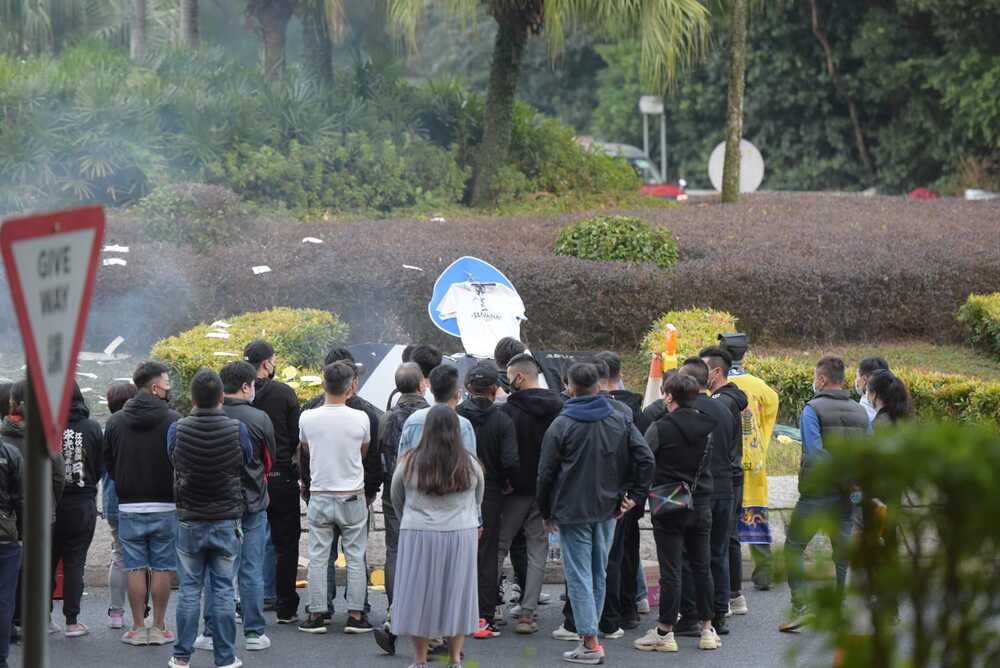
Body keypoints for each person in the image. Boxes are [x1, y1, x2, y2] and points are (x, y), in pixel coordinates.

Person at [537, 363, 654, 665]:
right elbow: (646, 458)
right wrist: (634, 497)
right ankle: (591, 637)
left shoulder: (561, 424)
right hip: (609, 508)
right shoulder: (619, 418)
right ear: (598, 385)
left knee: (579, 575)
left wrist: (546, 512)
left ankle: (589, 641)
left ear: (569, 387)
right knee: (598, 571)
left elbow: (545, 474)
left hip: (571, 509)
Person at [167, 369, 252, 668]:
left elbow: (172, 459)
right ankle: (225, 658)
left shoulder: (177, 429)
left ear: (192, 399)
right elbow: (245, 460)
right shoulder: (237, 429)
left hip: (190, 518)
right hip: (226, 518)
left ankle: (181, 656)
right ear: (221, 398)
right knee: (224, 589)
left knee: (190, 589)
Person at [190, 361, 275, 653]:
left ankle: (210, 632)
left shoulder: (206, 416)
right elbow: (269, 460)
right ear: (246, 386)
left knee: (217, 570)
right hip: (252, 504)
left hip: (216, 505)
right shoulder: (260, 418)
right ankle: (254, 633)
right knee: (251, 569)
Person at [633, 371, 721, 654]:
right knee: (702, 566)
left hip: (668, 502)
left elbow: (644, 460)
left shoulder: (660, 427)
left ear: (669, 397)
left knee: (671, 570)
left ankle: (665, 631)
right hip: (701, 502)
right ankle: (707, 629)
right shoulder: (708, 426)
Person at [390, 405, 484, 668]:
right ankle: (454, 659)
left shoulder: (409, 461)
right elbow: (478, 500)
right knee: (458, 594)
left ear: (427, 429)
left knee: (417, 595)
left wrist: (410, 517)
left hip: (418, 532)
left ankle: (420, 659)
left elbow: (396, 496)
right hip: (460, 533)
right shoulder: (470, 463)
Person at [782, 356, 870, 630]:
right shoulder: (860, 412)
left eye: (814, 377)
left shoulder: (812, 409)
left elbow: (815, 453)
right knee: (841, 552)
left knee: (794, 547)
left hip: (818, 492)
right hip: (849, 494)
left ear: (821, 379)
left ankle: (800, 605)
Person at [302, 348, 383, 621]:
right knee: (356, 556)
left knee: (318, 556)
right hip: (352, 494)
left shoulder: (307, 415)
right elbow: (366, 454)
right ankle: (357, 614)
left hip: (320, 494)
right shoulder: (363, 416)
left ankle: (317, 613)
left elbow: (304, 451)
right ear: (351, 386)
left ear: (323, 383)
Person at [103, 362, 179, 646]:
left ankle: (136, 627)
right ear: (155, 387)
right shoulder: (173, 419)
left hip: (129, 504)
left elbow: (109, 462)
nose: (169, 386)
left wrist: (125, 481)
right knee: (161, 567)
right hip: (165, 503)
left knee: (134, 566)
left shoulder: (115, 422)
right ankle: (158, 626)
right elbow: (180, 459)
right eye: (167, 382)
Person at [498, 353, 562, 637]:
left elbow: (505, 455)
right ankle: (527, 613)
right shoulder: (559, 407)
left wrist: (506, 481)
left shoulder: (507, 411)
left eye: (509, 376)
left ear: (519, 377)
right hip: (545, 491)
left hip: (514, 490)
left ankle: (488, 608)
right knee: (538, 550)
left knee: (499, 546)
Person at [674, 358, 737, 637]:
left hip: (697, 491)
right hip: (725, 488)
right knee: (718, 554)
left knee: (690, 555)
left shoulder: (687, 411)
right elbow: (734, 447)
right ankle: (719, 614)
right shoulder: (724, 408)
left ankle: (691, 615)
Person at [456, 361, 519, 640]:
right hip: (491, 492)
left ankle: (456, 611)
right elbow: (511, 461)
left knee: (457, 551)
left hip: (457, 490)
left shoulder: (456, 416)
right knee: (487, 554)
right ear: (495, 389)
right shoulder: (502, 420)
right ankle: (483, 615)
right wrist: (507, 482)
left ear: (468, 387)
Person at [373, 363, 429, 655]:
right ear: (422, 385)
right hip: (427, 495)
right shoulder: (434, 416)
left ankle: (395, 609)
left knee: (395, 551)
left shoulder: (386, 418)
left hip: (393, 492)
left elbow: (378, 457)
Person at [244, 340, 302, 625]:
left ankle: (248, 602)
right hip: (280, 477)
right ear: (267, 363)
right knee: (286, 542)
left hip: (246, 477)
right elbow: (295, 436)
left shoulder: (236, 395)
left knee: (248, 541)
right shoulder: (284, 393)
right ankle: (285, 606)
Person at [719, 336, 779, 603]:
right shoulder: (758, 385)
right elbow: (772, 404)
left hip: (726, 460)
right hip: (753, 460)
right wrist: (762, 438)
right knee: (756, 513)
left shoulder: (718, 386)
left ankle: (725, 578)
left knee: (726, 521)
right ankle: (764, 574)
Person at [697, 347, 750, 616]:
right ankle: (734, 594)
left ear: (716, 372)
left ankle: (727, 597)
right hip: (734, 474)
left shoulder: (721, 402)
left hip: (723, 477)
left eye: (702, 368)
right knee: (729, 537)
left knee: (720, 540)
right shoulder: (731, 398)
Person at [51, 383, 103, 637]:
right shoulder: (92, 427)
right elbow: (101, 466)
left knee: (47, 562)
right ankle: (72, 621)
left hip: (49, 503)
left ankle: (43, 619)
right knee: (75, 562)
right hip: (82, 502)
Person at [102, 381, 138, 630]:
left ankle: (116, 613)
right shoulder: (136, 431)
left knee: (120, 556)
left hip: (112, 500)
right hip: (137, 500)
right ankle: (143, 614)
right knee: (143, 559)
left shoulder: (107, 430)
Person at [398, 365, 477, 456]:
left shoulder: (413, 420)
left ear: (431, 390)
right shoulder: (463, 425)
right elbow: (470, 462)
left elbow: (402, 459)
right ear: (457, 394)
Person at [0, 416, 22, 668]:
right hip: (5, 534)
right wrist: (21, 533)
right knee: (4, 598)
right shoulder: (9, 453)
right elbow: (21, 498)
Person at [855, 357, 890, 422]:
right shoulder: (895, 401)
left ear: (864, 379)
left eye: (857, 376)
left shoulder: (863, 409)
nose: (856, 380)